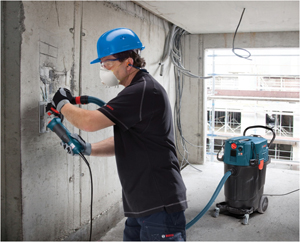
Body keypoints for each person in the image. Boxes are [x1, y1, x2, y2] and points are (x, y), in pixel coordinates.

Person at [49, 28, 188, 241]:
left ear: (129, 62)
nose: (104, 69)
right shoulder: (136, 91)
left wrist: (63, 104)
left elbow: (88, 122)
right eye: (102, 64)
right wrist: (88, 148)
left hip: (160, 203)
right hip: (140, 204)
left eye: (108, 63)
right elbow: (127, 141)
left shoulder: (142, 91)